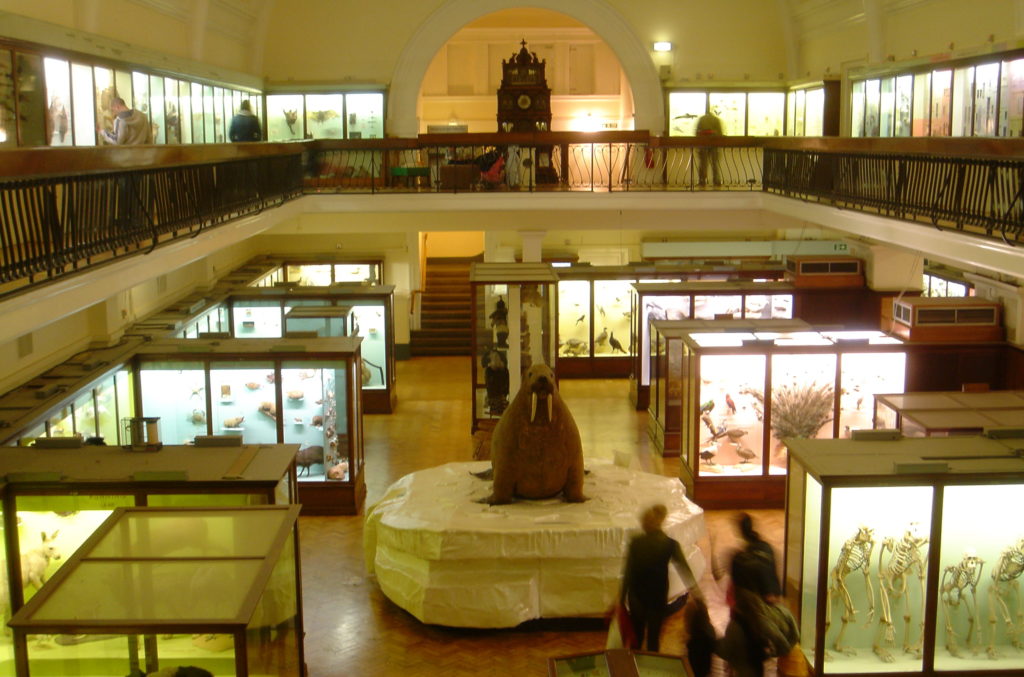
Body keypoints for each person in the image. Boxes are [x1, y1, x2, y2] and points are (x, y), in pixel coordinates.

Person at [718, 512, 798, 677]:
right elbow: (772, 590)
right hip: (764, 616)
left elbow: (737, 589)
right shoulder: (766, 549)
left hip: (747, 616)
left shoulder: (738, 560)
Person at [620, 503, 704, 652]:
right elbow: (684, 569)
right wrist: (696, 593)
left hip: (636, 597)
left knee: (637, 638)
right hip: (657, 597)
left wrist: (621, 599)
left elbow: (628, 572)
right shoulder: (670, 545)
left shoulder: (636, 543)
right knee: (653, 639)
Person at [695, 108, 723, 187]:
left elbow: (697, 132)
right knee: (715, 163)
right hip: (714, 144)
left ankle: (702, 180)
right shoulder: (716, 120)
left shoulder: (701, 119)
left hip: (703, 144)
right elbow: (720, 133)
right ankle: (716, 181)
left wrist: (698, 142)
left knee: (703, 163)